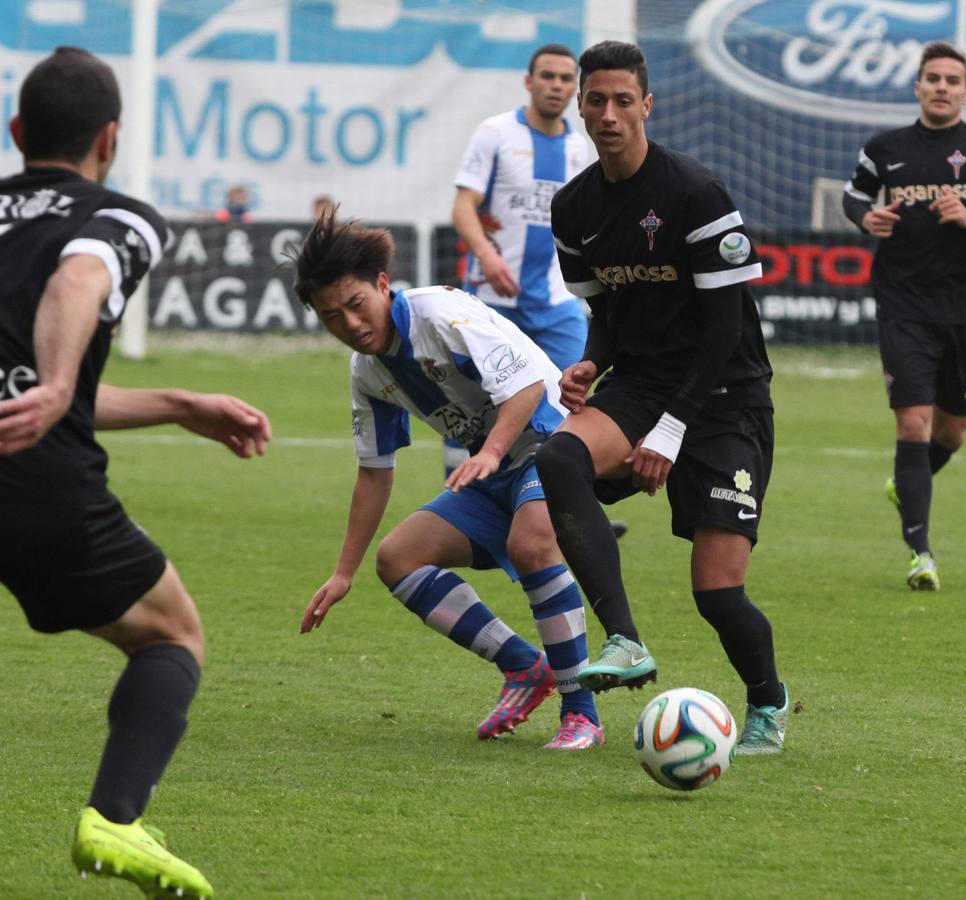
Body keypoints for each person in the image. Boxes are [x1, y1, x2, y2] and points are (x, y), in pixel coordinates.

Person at [0, 47, 272, 898]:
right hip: (30, 476)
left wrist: (180, 402)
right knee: (170, 633)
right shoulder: (116, 215)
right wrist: (52, 383)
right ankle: (114, 820)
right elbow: (74, 287)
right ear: (109, 138)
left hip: (27, 435)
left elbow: (51, 387)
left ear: (15, 132)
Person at [536, 40, 789, 755]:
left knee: (716, 593)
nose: (608, 114)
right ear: (579, 106)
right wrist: (590, 363)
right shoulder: (573, 209)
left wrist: (673, 431)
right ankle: (622, 639)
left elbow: (724, 328)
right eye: (596, 100)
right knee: (557, 460)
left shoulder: (694, 193)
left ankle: (767, 701)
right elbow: (609, 317)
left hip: (725, 394)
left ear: (647, 105)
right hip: (642, 385)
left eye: (623, 100)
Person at [291, 211, 603, 750]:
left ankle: (582, 714)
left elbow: (527, 384)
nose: (350, 324)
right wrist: (344, 573)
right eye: (331, 316)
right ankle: (525, 669)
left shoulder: (442, 315)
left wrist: (491, 452)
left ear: (383, 285)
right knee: (397, 559)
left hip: (554, 444)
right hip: (494, 467)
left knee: (531, 544)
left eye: (356, 304)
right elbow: (373, 472)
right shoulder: (368, 373)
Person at [843, 41, 966, 591]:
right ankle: (920, 555)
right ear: (918, 86)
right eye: (933, 78)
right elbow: (852, 196)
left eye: (952, 81)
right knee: (913, 422)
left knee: (952, 434)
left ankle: (906, 484)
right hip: (901, 301)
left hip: (962, 305)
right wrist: (867, 217)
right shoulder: (884, 147)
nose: (941, 87)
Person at [451, 43, 628, 537]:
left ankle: (576, 510)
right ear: (529, 82)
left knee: (575, 401)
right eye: (546, 76)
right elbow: (463, 206)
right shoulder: (495, 134)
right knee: (475, 402)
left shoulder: (579, 148)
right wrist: (487, 255)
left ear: (575, 89)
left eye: (565, 78)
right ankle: (463, 501)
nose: (555, 84)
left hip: (557, 303)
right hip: (493, 300)